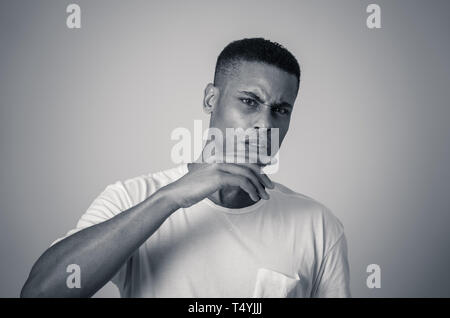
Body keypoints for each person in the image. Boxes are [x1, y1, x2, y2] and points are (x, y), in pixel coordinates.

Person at [21, 38, 351, 298]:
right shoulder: (134, 197)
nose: (265, 124)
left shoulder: (317, 225)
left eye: (280, 109)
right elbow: (39, 293)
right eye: (249, 101)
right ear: (211, 100)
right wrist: (169, 199)